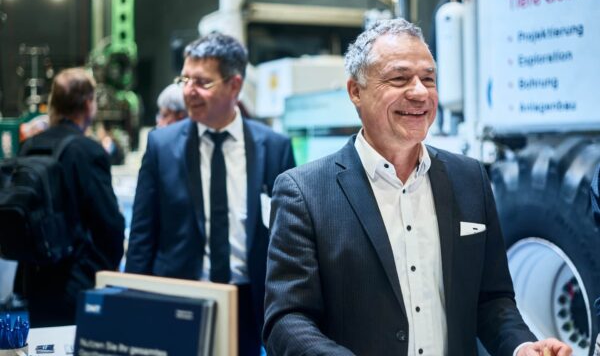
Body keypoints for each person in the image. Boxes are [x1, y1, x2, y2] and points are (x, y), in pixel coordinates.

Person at [263, 19, 572, 356]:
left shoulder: (469, 178)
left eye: (428, 79)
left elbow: (491, 299)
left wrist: (521, 346)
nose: (420, 93)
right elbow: (287, 319)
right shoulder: (304, 192)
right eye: (399, 79)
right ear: (356, 91)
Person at [125, 32, 295, 356]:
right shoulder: (162, 146)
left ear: (234, 85)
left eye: (202, 82)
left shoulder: (274, 148)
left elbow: (289, 237)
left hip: (249, 304)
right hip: (179, 297)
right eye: (185, 79)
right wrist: (133, 307)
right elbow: (142, 237)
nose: (189, 90)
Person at [17, 67, 125, 327]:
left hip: (34, 281)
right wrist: (100, 272)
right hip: (77, 284)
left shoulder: (30, 146)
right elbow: (109, 224)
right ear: (88, 105)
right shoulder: (87, 150)